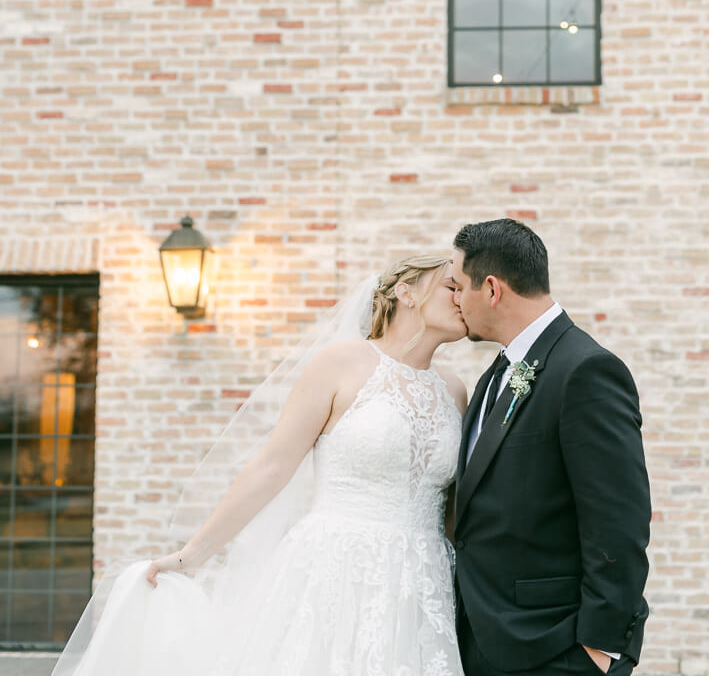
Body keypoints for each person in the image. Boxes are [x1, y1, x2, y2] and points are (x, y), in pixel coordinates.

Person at [54, 256, 469, 676]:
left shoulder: (454, 390)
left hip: (422, 580)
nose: (462, 298)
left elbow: (452, 503)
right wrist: (192, 555)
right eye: (452, 287)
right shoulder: (342, 363)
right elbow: (272, 467)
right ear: (406, 292)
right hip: (336, 569)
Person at [450, 219, 650, 676]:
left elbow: (619, 520)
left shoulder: (586, 370)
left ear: (492, 289)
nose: (455, 300)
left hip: (555, 647)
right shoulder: (494, 377)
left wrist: (599, 648)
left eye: (459, 286)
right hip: (485, 639)